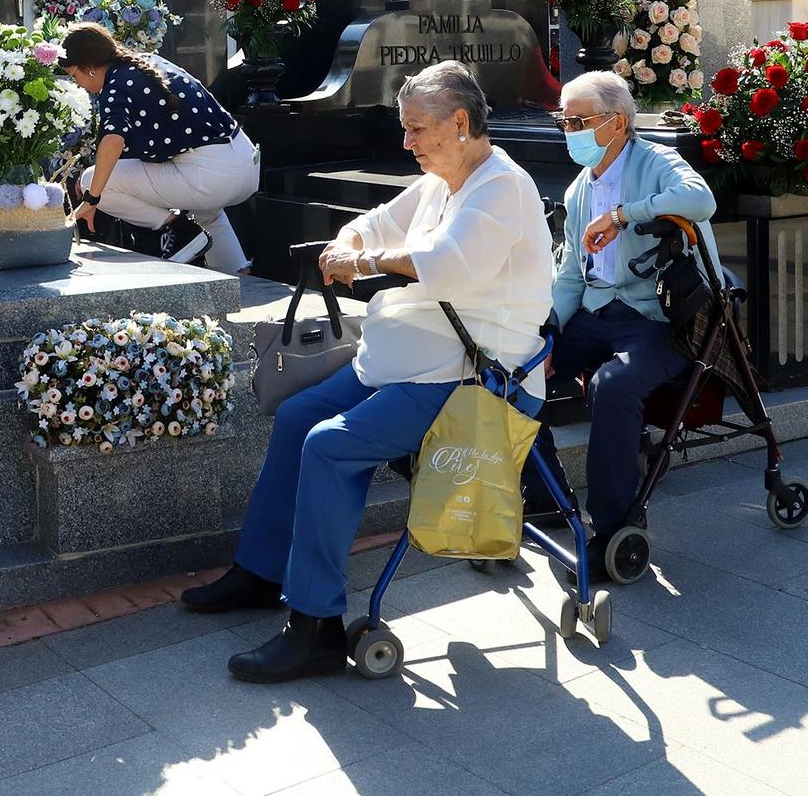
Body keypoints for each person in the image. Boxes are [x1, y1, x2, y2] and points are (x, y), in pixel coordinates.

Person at [181, 63, 553, 682]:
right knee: (298, 414)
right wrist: (348, 244)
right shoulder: (442, 179)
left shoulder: (500, 187)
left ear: (460, 124)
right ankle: (262, 570)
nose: (406, 143)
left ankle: (317, 628)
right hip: (406, 361)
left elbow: (448, 266)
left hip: (472, 380)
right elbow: (378, 220)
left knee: (329, 446)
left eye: (417, 130)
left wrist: (367, 259)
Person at [548, 71, 718, 577]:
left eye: (580, 121)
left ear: (618, 122)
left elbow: (700, 200)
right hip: (594, 312)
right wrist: (547, 334)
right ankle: (544, 494)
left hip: (656, 318)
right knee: (519, 368)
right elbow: (569, 275)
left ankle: (614, 526)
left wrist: (624, 215)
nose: (570, 130)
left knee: (614, 385)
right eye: (564, 121)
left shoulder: (655, 161)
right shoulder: (580, 189)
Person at [57, 22, 259, 272]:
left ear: (89, 68)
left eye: (74, 75)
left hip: (210, 175)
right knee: (209, 213)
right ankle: (242, 275)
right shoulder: (145, 62)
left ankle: (179, 230)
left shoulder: (115, 85)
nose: (77, 84)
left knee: (92, 181)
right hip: (245, 162)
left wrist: (91, 198)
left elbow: (114, 140)